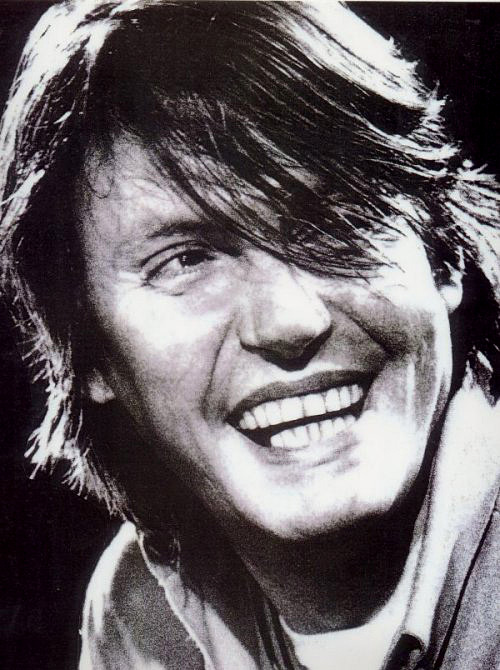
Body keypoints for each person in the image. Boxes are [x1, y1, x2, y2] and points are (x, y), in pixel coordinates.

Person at [0, 1, 499, 669]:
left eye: (335, 222)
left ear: (444, 254)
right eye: (186, 259)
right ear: (85, 350)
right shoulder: (138, 613)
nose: (291, 320)